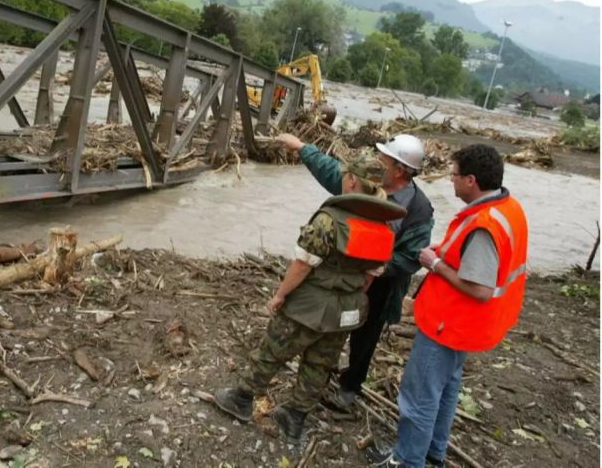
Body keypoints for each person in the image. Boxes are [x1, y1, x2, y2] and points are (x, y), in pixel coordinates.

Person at [213, 151, 407, 444]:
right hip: (349, 310)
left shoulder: (330, 220)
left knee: (272, 351)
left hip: (310, 307)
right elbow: (371, 276)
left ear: (352, 180)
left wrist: (280, 296)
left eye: (345, 176)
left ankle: (241, 398)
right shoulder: (383, 228)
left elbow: (303, 264)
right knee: (318, 365)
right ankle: (294, 418)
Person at [367, 144, 528, 468]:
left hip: (450, 324)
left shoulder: (484, 224)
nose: (450, 181)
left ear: (471, 180)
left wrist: (434, 262)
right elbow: (475, 259)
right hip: (470, 325)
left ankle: (407, 460)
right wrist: (444, 251)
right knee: (445, 392)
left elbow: (480, 288)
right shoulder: (506, 207)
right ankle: (432, 453)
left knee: (419, 396)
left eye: (454, 175)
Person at [275, 132, 434, 409]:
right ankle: (316, 378)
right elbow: (331, 172)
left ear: (399, 170)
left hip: (381, 286)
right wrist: (302, 148)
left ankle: (350, 386)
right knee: (330, 326)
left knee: (365, 336)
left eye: (382, 159)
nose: (376, 162)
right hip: (343, 277)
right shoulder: (364, 184)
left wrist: (375, 267)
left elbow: (411, 257)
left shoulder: (418, 209)